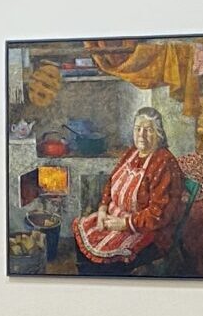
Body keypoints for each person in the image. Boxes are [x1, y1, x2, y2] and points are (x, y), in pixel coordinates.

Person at [73, 107, 189, 274]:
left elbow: (158, 214)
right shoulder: (132, 153)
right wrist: (103, 209)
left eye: (148, 130)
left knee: (101, 263)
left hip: (147, 231)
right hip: (115, 217)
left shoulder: (164, 162)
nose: (141, 135)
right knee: (81, 231)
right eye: (138, 129)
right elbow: (111, 182)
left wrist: (125, 223)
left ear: (159, 134)